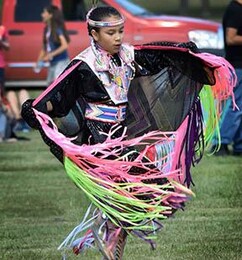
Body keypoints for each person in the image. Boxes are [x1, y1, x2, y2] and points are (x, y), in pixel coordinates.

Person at [21, 6, 236, 260]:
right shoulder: (83, 65)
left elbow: (157, 57)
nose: (118, 37)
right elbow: (58, 96)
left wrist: (188, 56)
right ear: (93, 34)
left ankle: (112, 231)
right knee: (134, 190)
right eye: (110, 33)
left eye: (120, 31)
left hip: (122, 136)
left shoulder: (127, 56)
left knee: (155, 193)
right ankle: (109, 224)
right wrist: (35, 109)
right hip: (98, 140)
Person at [212, 0, 242, 156]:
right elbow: (231, 38)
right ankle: (221, 142)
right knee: (235, 106)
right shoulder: (236, 10)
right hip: (237, 65)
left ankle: (239, 145)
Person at [35, 5, 70, 86]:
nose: (42, 15)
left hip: (61, 62)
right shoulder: (46, 29)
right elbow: (44, 48)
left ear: (50, 15)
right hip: (53, 63)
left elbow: (64, 45)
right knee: (50, 86)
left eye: (44, 12)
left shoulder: (57, 29)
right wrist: (38, 61)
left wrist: (51, 54)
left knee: (57, 87)